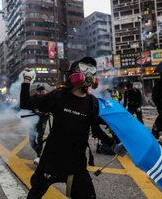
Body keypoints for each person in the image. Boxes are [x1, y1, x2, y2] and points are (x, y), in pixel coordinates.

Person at [20, 56, 117, 199]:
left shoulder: (92, 103)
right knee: (35, 194)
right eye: (85, 68)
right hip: (51, 161)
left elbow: (96, 131)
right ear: (73, 74)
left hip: (76, 165)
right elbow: (25, 103)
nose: (89, 73)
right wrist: (27, 80)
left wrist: (114, 145)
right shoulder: (58, 97)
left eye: (92, 69)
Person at [29, 84, 51, 165]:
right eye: (39, 89)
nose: (41, 91)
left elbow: (51, 108)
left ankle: (39, 156)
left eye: (42, 89)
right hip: (33, 120)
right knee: (31, 140)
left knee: (40, 137)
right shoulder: (33, 97)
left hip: (43, 119)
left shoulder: (48, 98)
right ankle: (39, 151)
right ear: (37, 90)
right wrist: (35, 110)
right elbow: (28, 106)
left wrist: (46, 112)